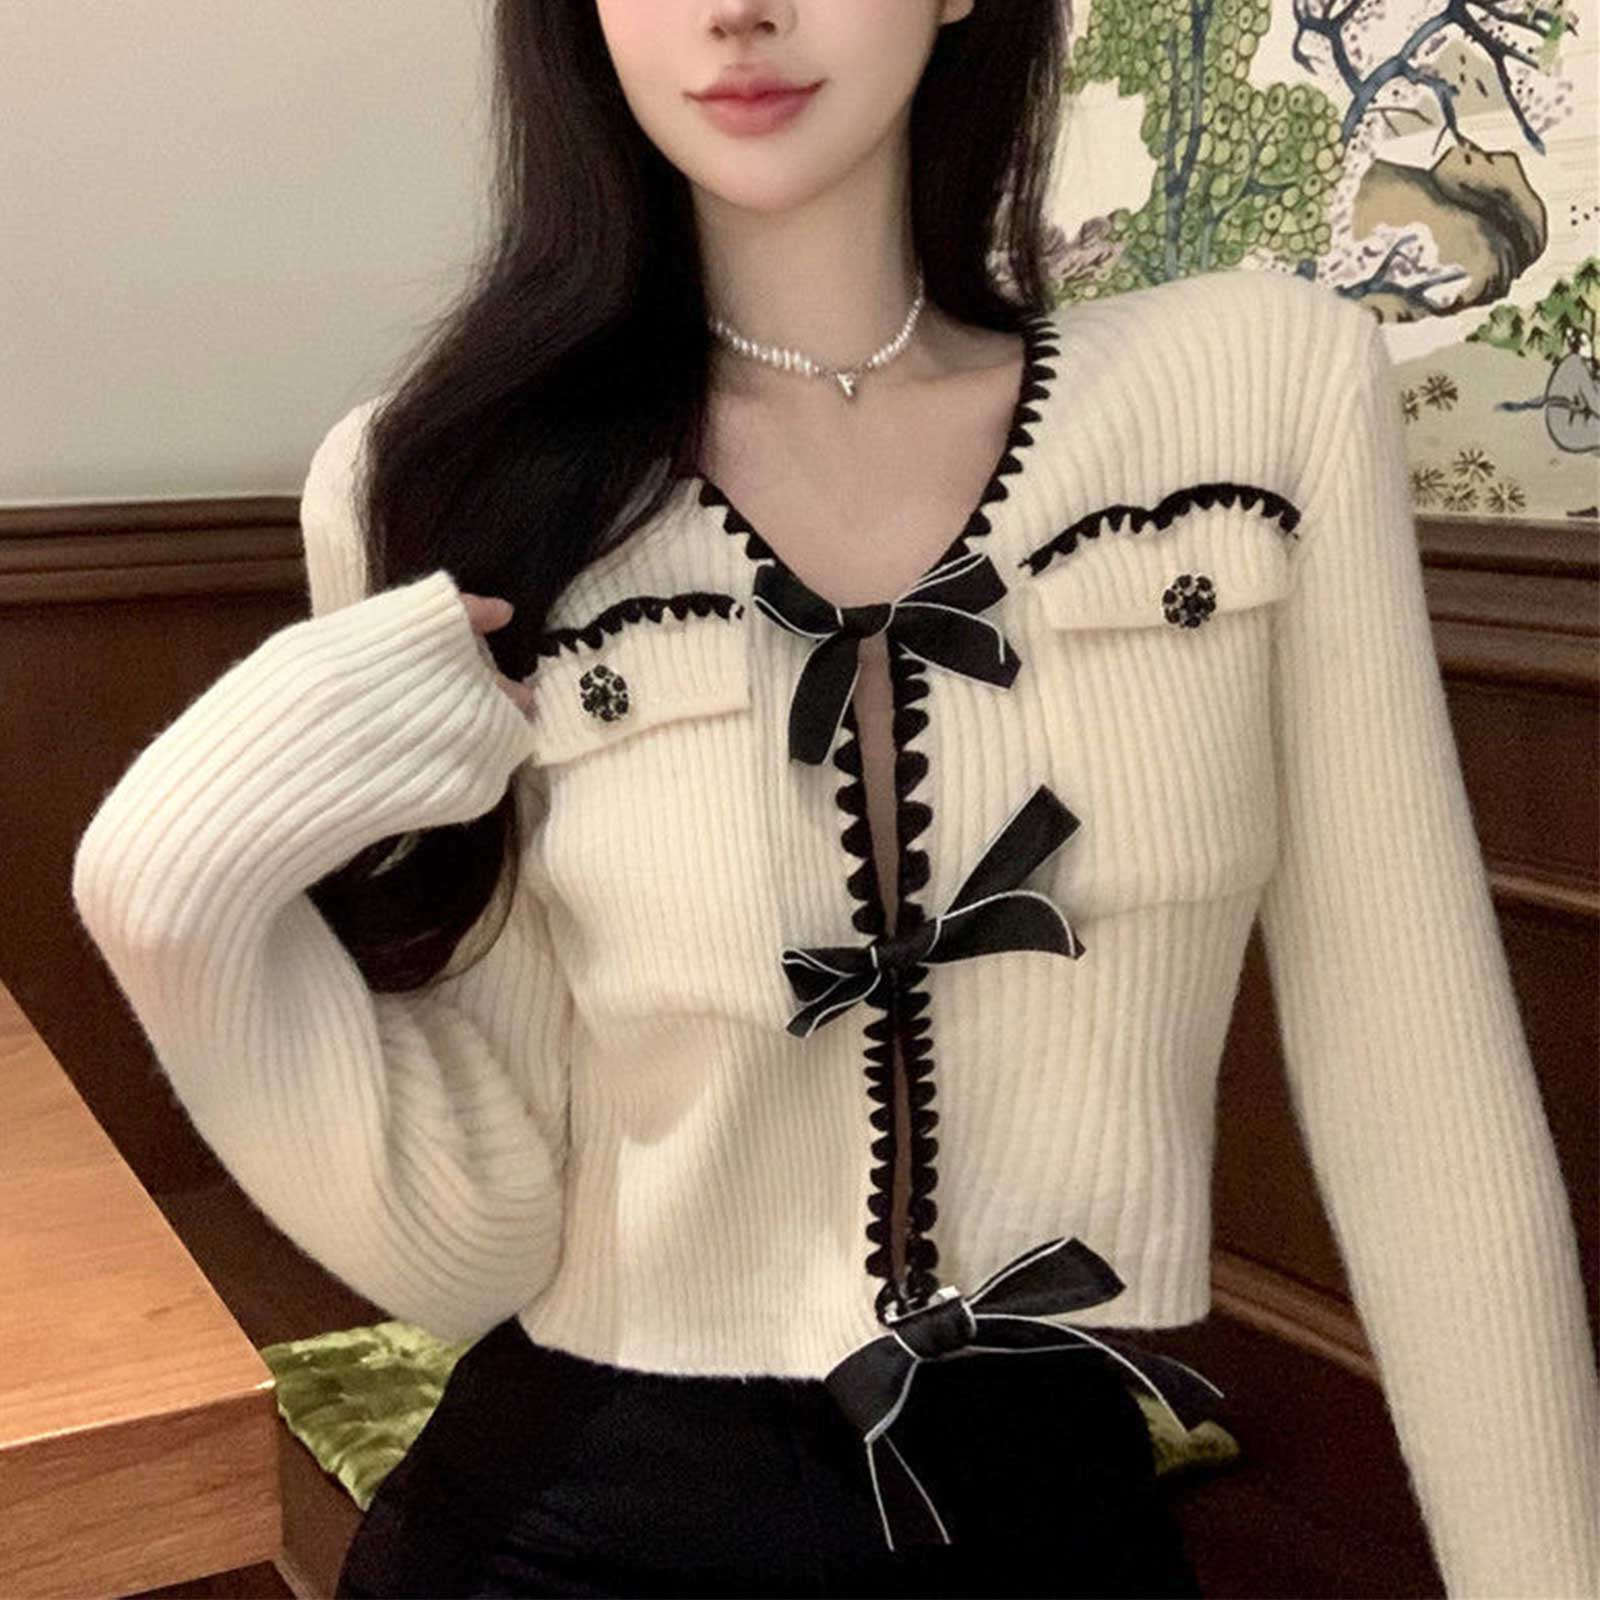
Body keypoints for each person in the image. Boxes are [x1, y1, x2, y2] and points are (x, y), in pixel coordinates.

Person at [70, 1, 1599, 1597]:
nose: (739, 9)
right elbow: (475, 1246)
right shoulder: (442, 483)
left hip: (1059, 1512)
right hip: (572, 1530)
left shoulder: (1260, 396)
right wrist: (165, 895)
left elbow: (1426, 1098)